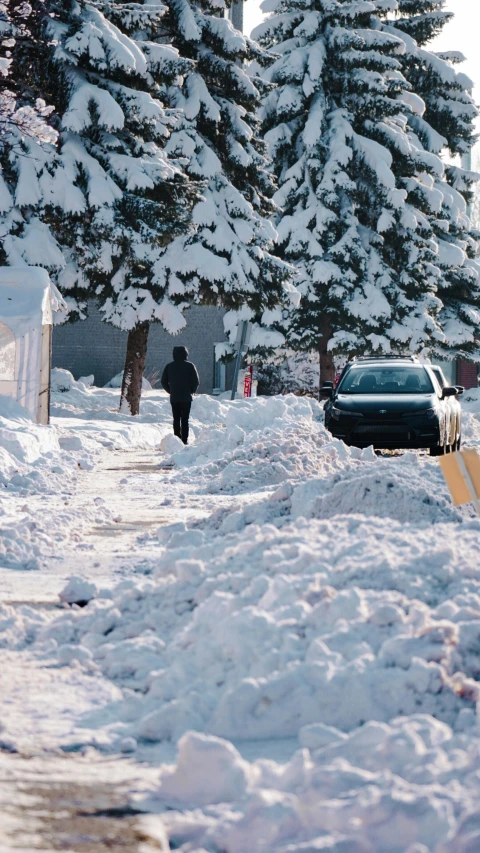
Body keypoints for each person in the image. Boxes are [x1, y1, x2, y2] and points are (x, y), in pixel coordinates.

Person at [161, 346, 200, 444]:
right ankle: (184, 440)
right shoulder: (190, 366)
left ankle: (177, 440)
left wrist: (171, 390)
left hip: (174, 397)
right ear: (185, 354)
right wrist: (191, 391)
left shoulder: (169, 366)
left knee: (176, 419)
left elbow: (163, 381)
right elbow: (196, 382)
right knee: (185, 419)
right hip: (186, 398)